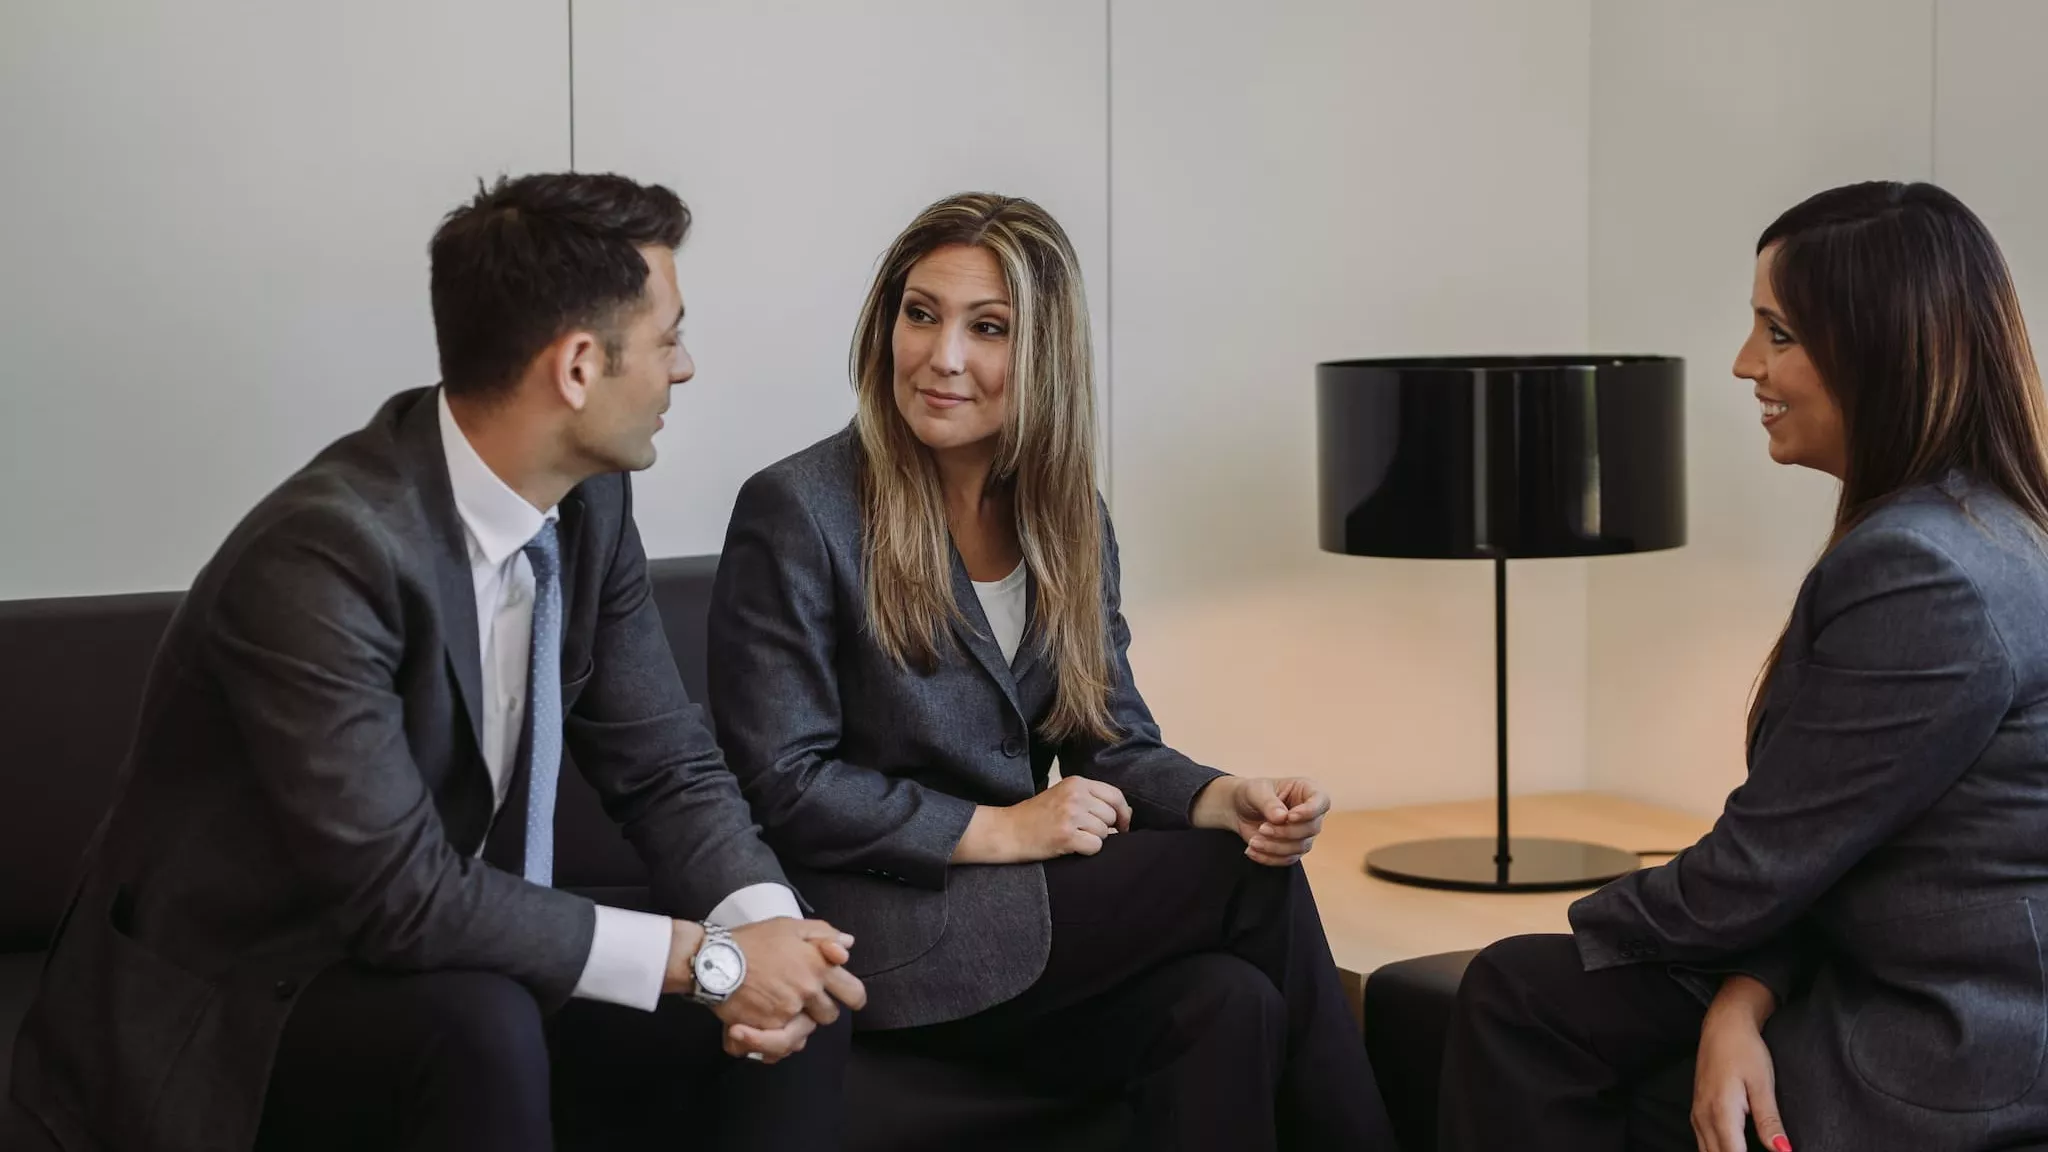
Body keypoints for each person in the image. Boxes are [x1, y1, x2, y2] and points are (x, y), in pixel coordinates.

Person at [3, 173, 864, 1152]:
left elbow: (665, 763)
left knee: (810, 997)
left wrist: (763, 935)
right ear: (578, 367)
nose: (686, 366)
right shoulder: (323, 556)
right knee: (480, 1026)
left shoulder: (585, 503)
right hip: (255, 992)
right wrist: (709, 962)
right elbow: (399, 896)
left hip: (459, 944)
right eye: (668, 337)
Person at [705, 192, 1397, 1152]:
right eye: (921, 314)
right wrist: (997, 827)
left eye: (988, 328)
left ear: (1044, 357)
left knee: (1226, 1001)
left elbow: (1107, 735)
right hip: (886, 932)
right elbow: (780, 783)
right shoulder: (800, 508)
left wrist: (1220, 797)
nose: (943, 355)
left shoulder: (1068, 515)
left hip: (1033, 930)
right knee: (1249, 889)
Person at [1439, 180, 2048, 1152]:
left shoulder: (1923, 571)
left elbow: (1755, 871)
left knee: (1517, 993)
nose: (1741, 364)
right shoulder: (1992, 530)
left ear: (1881, 347)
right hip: (1891, 978)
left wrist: (1595, 916)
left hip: (1947, 1056)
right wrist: (1741, 992)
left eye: (1777, 333)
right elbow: (1837, 849)